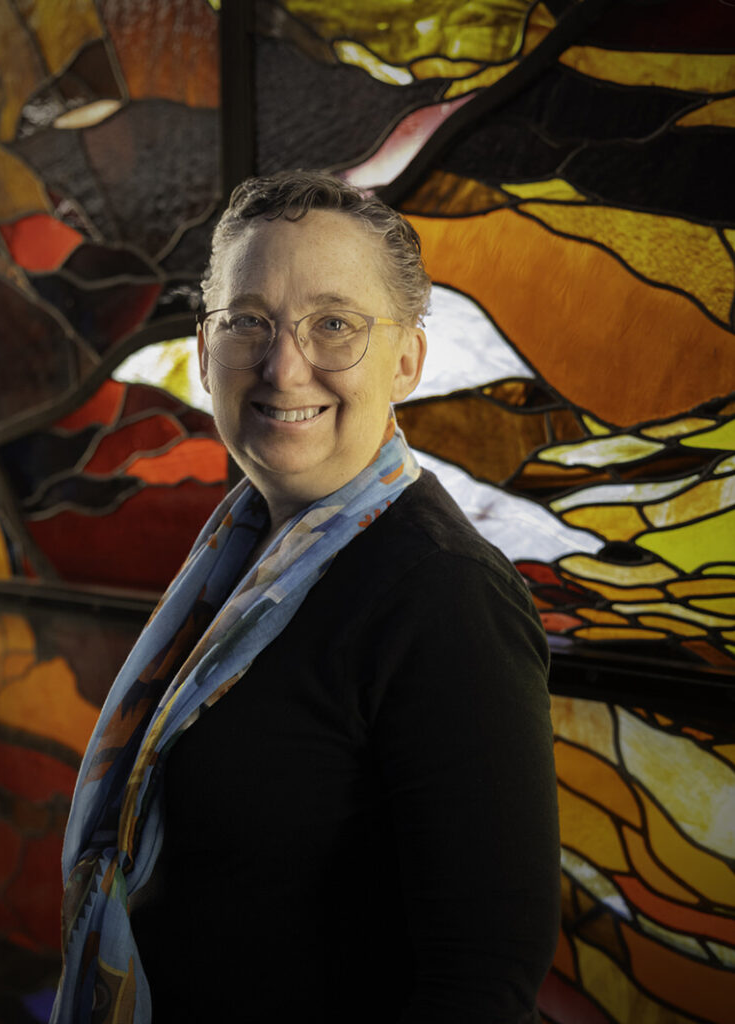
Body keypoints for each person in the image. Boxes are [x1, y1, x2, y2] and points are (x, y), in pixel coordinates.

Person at [53, 171, 561, 1023]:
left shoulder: (445, 594)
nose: (284, 367)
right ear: (205, 351)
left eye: (334, 325)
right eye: (248, 321)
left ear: (406, 361)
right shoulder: (243, 554)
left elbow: (483, 976)